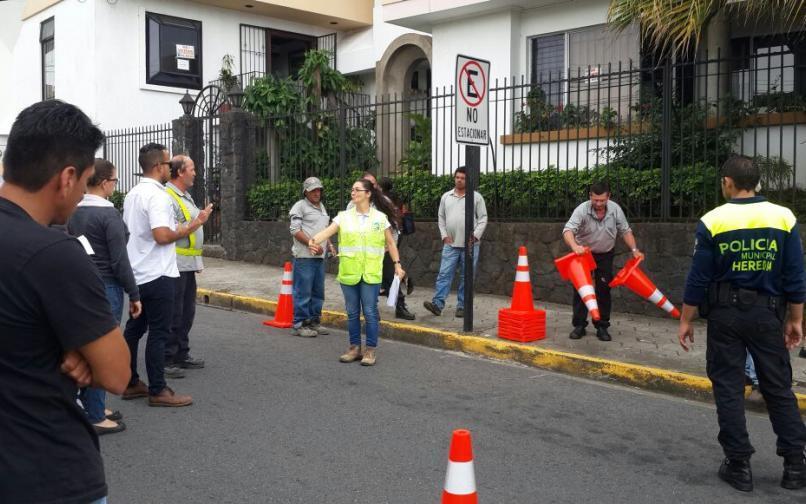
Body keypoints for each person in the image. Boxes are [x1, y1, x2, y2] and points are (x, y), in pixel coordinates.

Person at [0, 100, 131, 504]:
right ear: (68, 177)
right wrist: (77, 349)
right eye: (87, 180)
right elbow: (116, 374)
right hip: (46, 471)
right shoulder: (54, 253)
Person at [678, 155, 806, 492]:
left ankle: (739, 465)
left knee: (729, 388)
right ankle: (795, 464)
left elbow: (698, 279)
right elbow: (795, 275)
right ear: (757, 182)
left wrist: (685, 320)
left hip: (725, 315)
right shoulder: (783, 217)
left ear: (728, 183)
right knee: (778, 388)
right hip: (768, 314)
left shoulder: (713, 221)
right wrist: (795, 319)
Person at [121, 143, 211, 407]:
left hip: (138, 271)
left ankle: (130, 382)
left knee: (134, 330)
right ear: (159, 166)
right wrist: (192, 225)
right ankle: (158, 390)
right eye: (168, 163)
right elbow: (162, 236)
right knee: (159, 333)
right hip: (158, 273)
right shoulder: (158, 196)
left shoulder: (132, 194)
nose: (170, 167)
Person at [67, 158, 142, 435]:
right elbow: (120, 261)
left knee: (86, 348)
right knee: (102, 351)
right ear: (103, 183)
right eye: (114, 181)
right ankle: (96, 414)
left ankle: (90, 406)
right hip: (107, 286)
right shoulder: (108, 215)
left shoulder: (73, 210)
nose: (114, 185)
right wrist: (134, 293)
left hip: (80, 284)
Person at [308, 178, 405, 366]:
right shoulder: (343, 216)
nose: (353, 193)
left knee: (369, 312)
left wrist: (398, 265)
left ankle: (370, 350)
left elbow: (391, 243)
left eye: (357, 190)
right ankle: (354, 348)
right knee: (352, 312)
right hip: (349, 273)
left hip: (370, 273)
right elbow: (327, 232)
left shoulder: (379, 218)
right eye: (352, 190)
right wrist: (313, 241)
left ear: (368, 194)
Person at [562, 181, 643, 342]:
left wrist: (635, 250)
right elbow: (568, 230)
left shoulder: (615, 209)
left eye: (602, 200)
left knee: (604, 289)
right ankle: (579, 325)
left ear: (608, 197)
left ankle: (602, 326)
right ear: (590, 196)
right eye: (595, 200)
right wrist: (574, 246)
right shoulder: (582, 210)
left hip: (605, 254)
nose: (598, 204)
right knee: (581, 290)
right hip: (583, 254)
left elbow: (625, 231)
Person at [423, 167, 488, 319]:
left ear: (468, 180)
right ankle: (437, 305)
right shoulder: (446, 196)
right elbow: (441, 218)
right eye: (457, 177)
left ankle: (462, 306)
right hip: (450, 245)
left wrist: (476, 236)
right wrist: (444, 236)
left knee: (467, 277)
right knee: (444, 274)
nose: (459, 180)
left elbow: (483, 218)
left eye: (462, 178)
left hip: (470, 246)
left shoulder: (476, 197)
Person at [164, 155, 207, 372]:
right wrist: (198, 221)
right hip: (175, 263)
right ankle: (168, 358)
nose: (195, 173)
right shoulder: (167, 196)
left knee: (187, 311)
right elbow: (172, 230)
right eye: (192, 168)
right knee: (174, 312)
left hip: (188, 264)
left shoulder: (185, 196)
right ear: (180, 172)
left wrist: (197, 260)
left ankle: (182, 352)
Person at [289, 176, 335, 337]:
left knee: (318, 291)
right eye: (313, 190)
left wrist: (329, 245)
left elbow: (325, 229)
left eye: (318, 190)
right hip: (304, 257)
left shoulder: (322, 207)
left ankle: (314, 321)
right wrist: (311, 243)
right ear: (305, 192)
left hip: (319, 258)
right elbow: (295, 230)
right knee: (303, 291)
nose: (317, 193)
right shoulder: (299, 207)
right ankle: (299, 324)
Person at [378, 177, 415, 320]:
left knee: (390, 274)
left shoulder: (384, 201)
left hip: (387, 244)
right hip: (373, 247)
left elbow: (393, 221)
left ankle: (399, 305)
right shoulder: (359, 203)